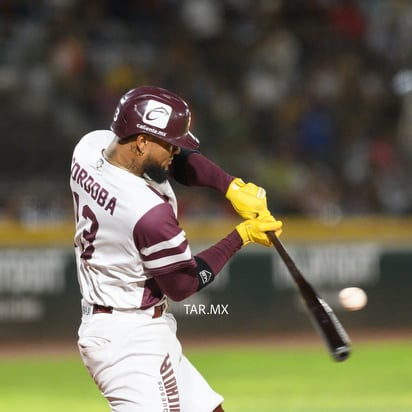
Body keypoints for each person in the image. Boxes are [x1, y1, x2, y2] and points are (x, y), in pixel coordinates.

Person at [69, 85, 283, 412]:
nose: (175, 151)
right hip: (131, 340)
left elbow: (176, 163)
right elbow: (183, 284)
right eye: (169, 144)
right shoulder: (147, 213)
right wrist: (243, 235)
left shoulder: (90, 147)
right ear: (140, 141)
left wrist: (230, 186)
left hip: (122, 322)